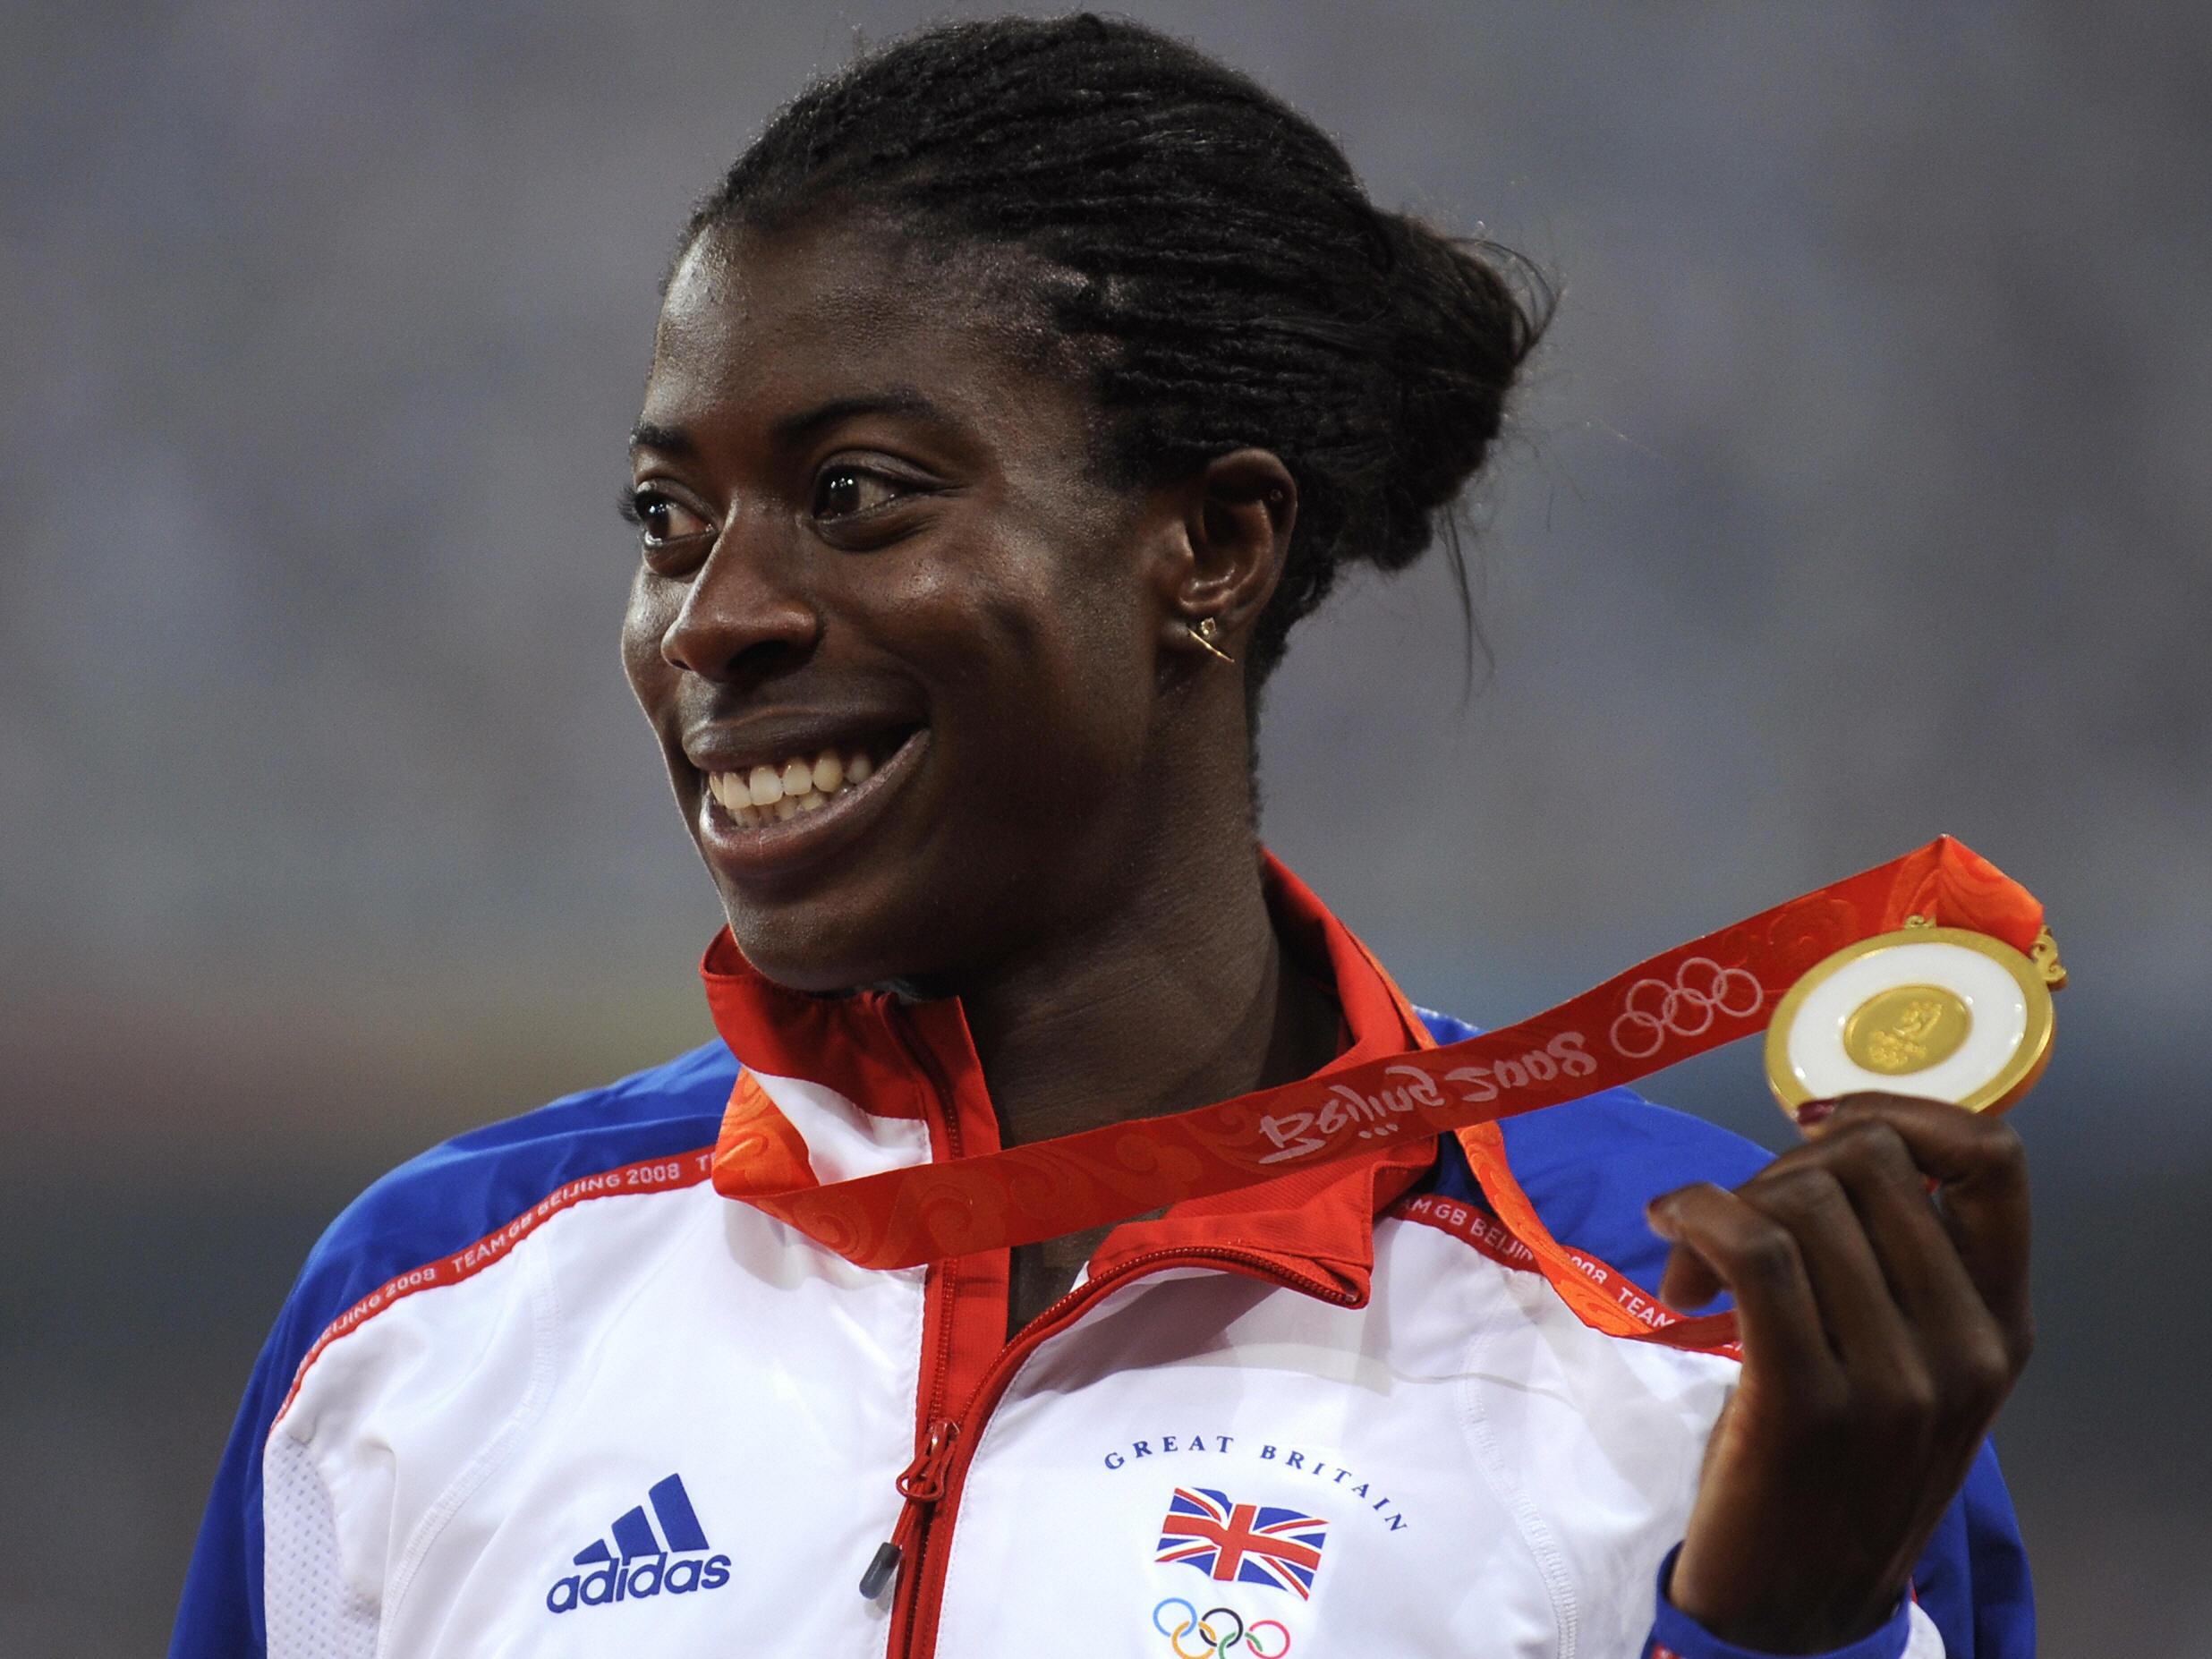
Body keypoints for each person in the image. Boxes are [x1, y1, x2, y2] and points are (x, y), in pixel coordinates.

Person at [171, 15, 2035, 1657]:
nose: (713, 616)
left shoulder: (1700, 1344)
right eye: (669, 518)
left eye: (855, 494)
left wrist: (1784, 1644)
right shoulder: (427, 1310)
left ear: (1208, 548)